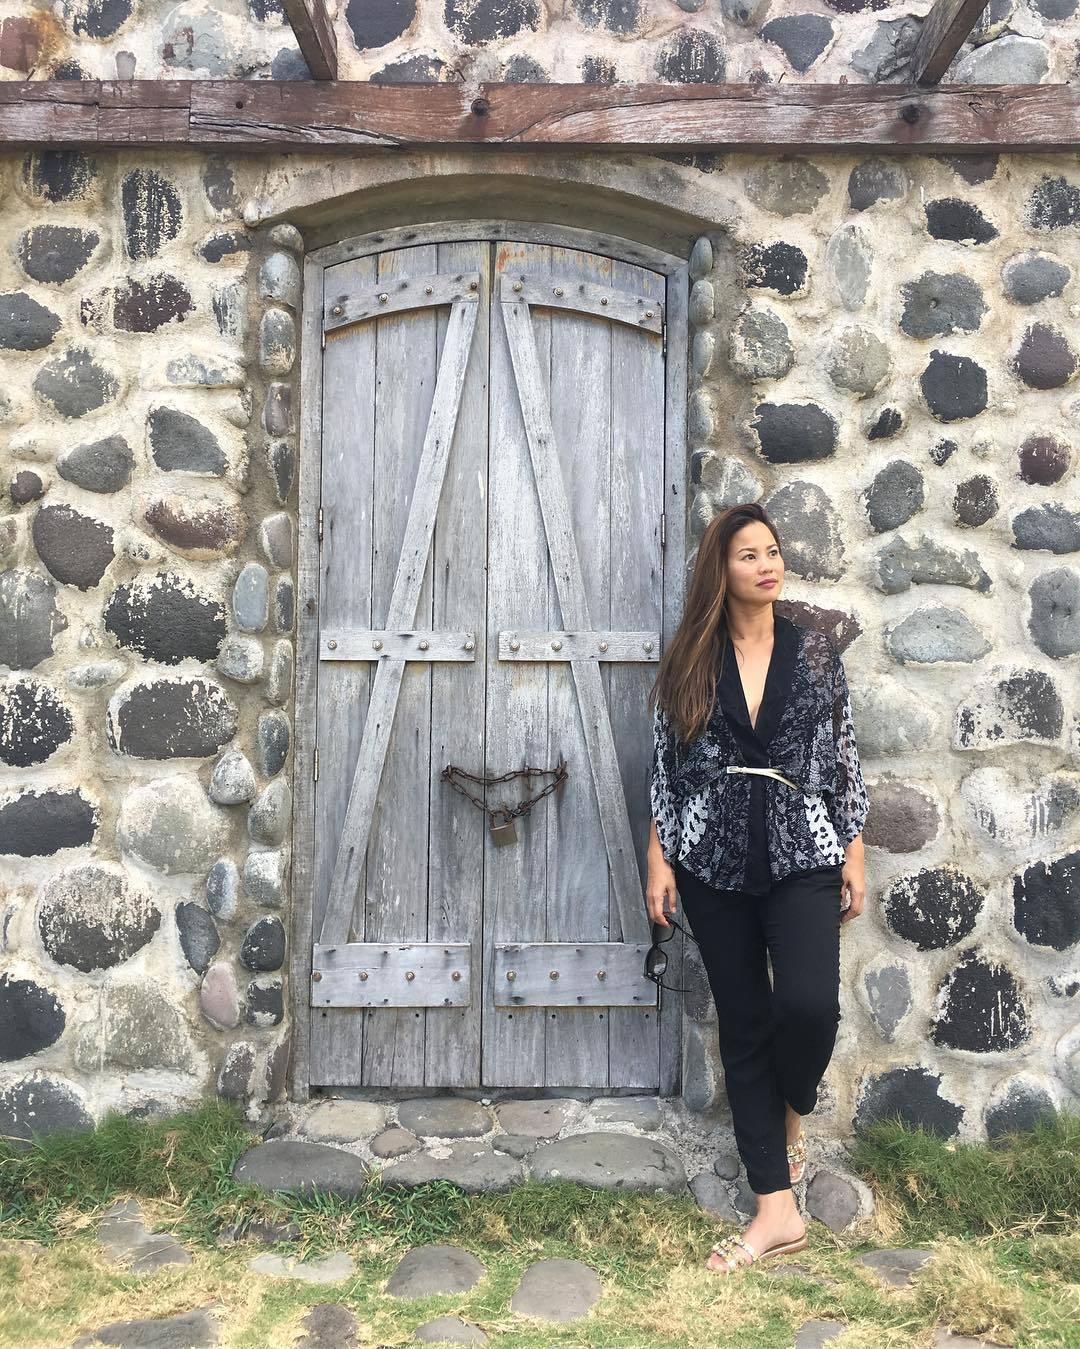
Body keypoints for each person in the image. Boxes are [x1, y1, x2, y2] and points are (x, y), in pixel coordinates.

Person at [646, 501, 869, 1275]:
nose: (767, 564)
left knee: (808, 1006)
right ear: (722, 568)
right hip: (712, 857)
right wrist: (660, 857)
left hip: (803, 848)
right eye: (749, 554)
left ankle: (791, 1110)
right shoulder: (689, 659)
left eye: (772, 551)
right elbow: (666, 766)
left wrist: (853, 849)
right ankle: (775, 1209)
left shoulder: (814, 653)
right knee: (743, 1023)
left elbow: (841, 755)